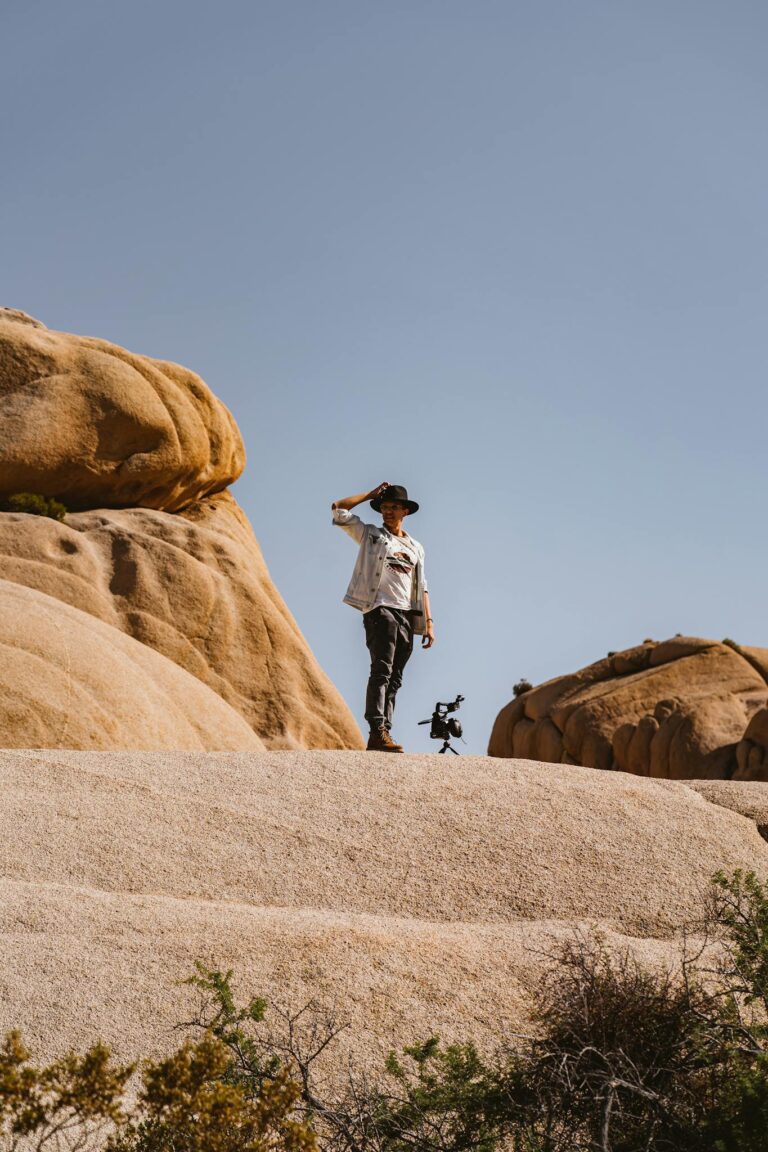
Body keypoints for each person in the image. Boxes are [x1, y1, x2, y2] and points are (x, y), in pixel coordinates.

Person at [331, 482, 435, 752]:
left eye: (393, 508)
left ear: (405, 512)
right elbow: (338, 509)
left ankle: (383, 731)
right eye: (384, 507)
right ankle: (377, 729)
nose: (387, 512)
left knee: (396, 677)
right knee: (381, 670)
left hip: (407, 614)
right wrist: (369, 495)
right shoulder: (371, 535)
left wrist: (429, 623)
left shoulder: (415, 547)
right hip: (380, 608)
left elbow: (422, 585)